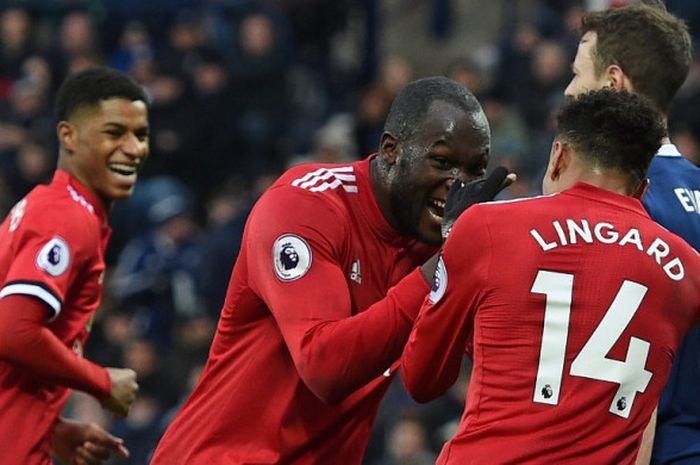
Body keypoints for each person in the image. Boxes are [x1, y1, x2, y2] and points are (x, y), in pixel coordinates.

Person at [150, 76, 513, 465]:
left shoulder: (439, 243)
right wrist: (444, 266)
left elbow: (432, 382)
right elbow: (325, 367)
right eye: (441, 162)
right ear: (391, 150)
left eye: (475, 171)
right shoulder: (305, 206)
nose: (458, 186)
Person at [401, 88, 700, 465]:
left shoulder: (486, 227)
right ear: (642, 189)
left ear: (557, 156)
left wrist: (453, 242)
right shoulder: (687, 270)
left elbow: (422, 378)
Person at [563, 3, 700, 463]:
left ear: (613, 82)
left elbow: (627, 375)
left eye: (578, 73)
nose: (568, 90)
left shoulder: (623, 205)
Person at [0, 66, 149, 465]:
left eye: (141, 134)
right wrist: (100, 382)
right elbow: (12, 331)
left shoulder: (46, 208)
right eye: (114, 133)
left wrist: (52, 430)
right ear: (68, 136)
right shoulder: (66, 218)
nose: (134, 149)